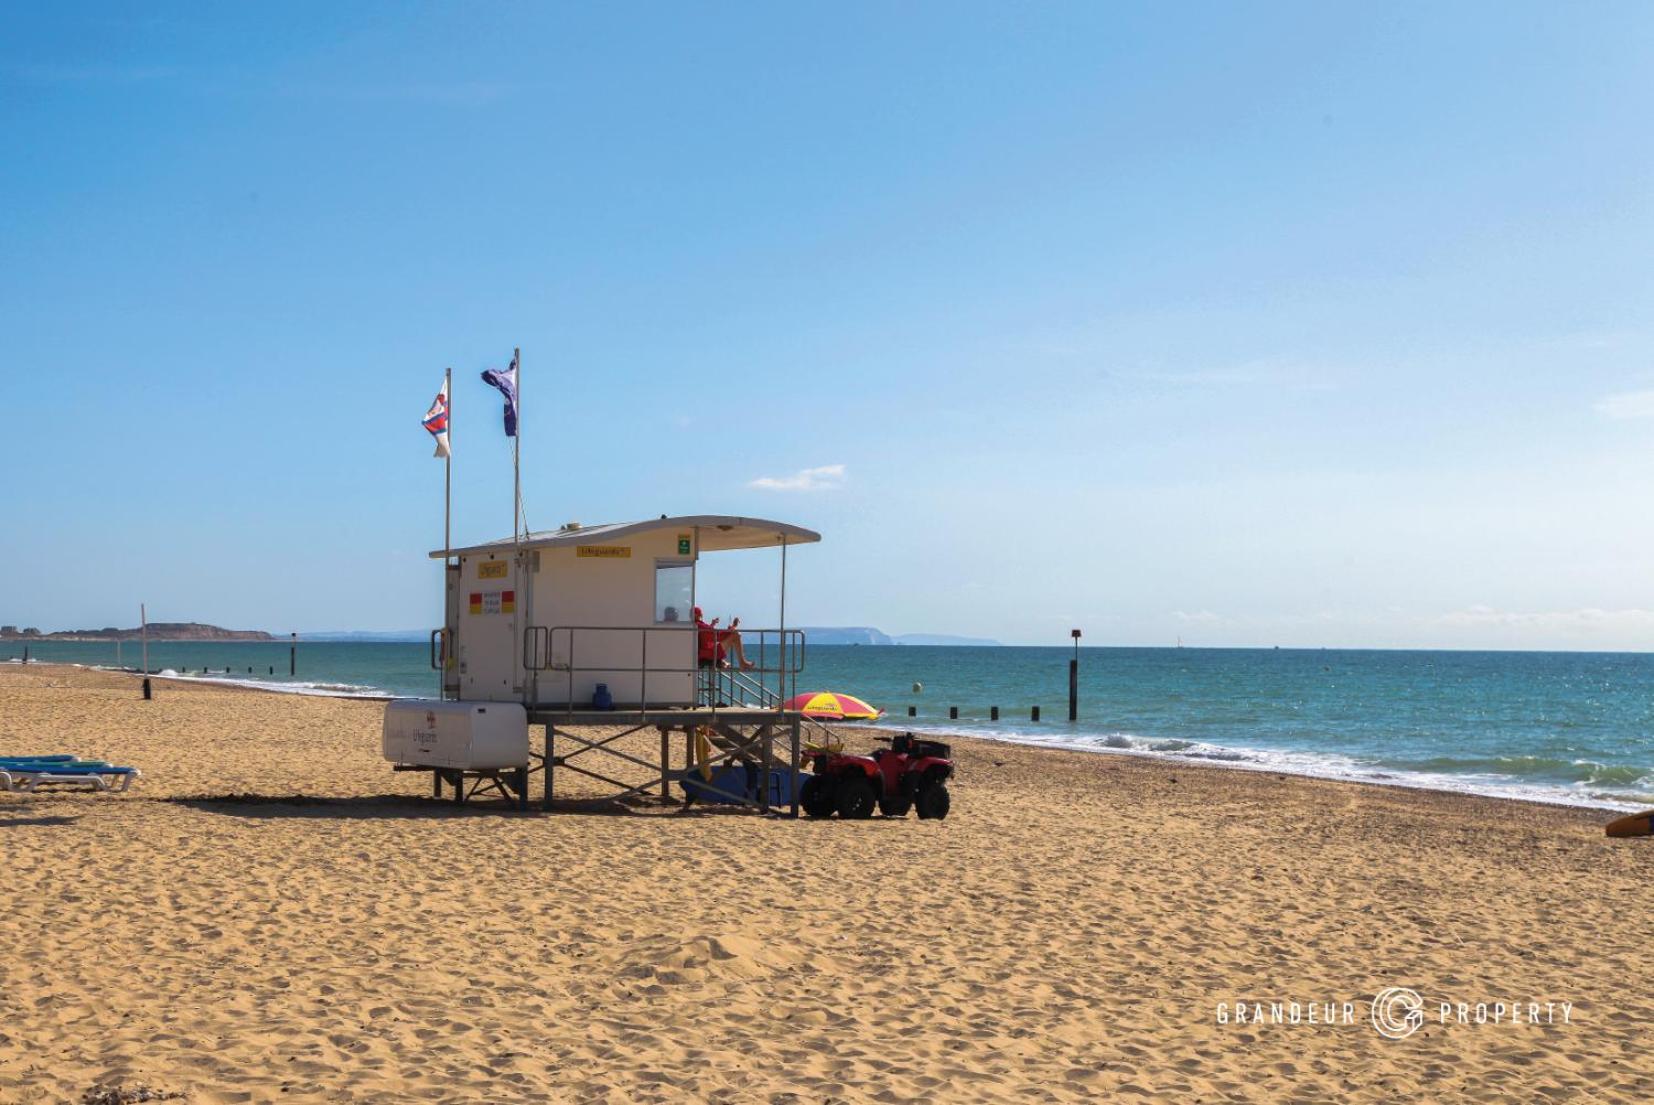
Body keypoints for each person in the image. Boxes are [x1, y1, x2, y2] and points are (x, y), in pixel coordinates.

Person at [694, 606, 755, 670]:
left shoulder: (697, 625)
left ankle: (724, 662)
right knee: (736, 635)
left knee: (734, 636)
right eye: (701, 615)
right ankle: (742, 663)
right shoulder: (700, 625)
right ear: (698, 615)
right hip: (710, 653)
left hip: (704, 653)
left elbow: (707, 633)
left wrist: (712, 624)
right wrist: (732, 627)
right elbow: (718, 635)